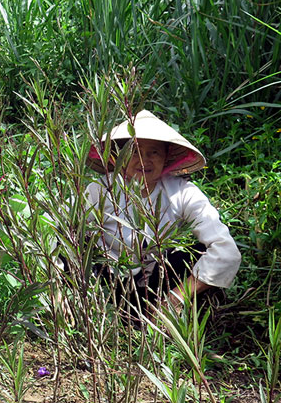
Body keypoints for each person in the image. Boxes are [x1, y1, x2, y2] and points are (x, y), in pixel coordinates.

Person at [85, 110, 241, 317]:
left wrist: (177, 297)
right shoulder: (100, 189)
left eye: (154, 152)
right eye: (134, 151)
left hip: (157, 285)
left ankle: (175, 322)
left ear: (166, 157)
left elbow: (227, 251)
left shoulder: (182, 193)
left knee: (195, 251)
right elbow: (60, 228)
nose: (144, 160)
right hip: (108, 281)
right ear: (119, 156)